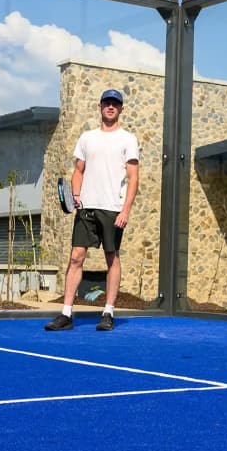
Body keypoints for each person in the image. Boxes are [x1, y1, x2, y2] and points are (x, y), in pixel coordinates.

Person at [45, 88, 139, 332]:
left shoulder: (128, 139)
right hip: (86, 209)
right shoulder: (87, 138)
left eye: (115, 104)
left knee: (112, 257)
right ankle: (66, 314)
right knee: (76, 257)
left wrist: (125, 210)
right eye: (107, 103)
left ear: (120, 109)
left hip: (112, 208)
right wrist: (76, 195)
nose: (110, 107)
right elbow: (79, 170)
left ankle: (108, 312)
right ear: (100, 107)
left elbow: (133, 177)